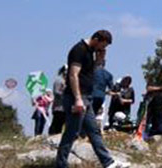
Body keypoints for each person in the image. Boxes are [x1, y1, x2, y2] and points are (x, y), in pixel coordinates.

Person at [55, 30, 126, 168]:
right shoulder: (79, 50)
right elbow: (73, 75)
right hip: (77, 97)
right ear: (96, 39)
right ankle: (61, 164)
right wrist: (77, 99)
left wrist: (99, 60)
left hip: (87, 97)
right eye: (103, 45)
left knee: (94, 131)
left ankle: (108, 162)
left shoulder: (90, 52)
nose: (103, 48)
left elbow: (88, 72)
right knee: (72, 132)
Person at [91, 55, 114, 127]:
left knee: (87, 114)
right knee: (95, 114)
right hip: (101, 97)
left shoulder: (91, 72)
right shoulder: (108, 75)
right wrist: (105, 92)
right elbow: (111, 88)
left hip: (90, 95)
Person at [49, 66, 67, 135]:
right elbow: (56, 92)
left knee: (62, 124)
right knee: (56, 123)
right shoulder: (59, 80)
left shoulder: (66, 81)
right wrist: (65, 93)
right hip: (59, 107)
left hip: (65, 107)